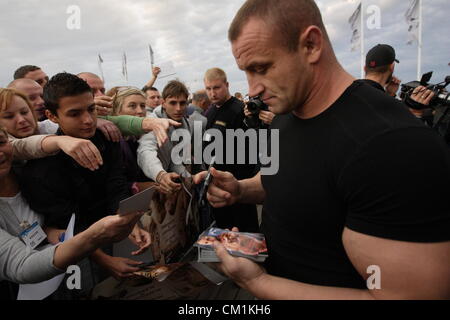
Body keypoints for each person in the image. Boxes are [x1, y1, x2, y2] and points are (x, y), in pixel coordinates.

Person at [194, 0, 450, 300]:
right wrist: (239, 189)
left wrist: (259, 284)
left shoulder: (393, 144)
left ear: (311, 45)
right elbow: (283, 180)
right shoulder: (287, 113)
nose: (252, 89)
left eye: (261, 68)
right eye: (246, 72)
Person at [18, 73, 151, 281]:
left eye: (91, 109)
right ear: (52, 116)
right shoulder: (39, 170)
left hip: (116, 238)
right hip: (73, 260)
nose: (88, 120)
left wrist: (130, 223)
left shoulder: (108, 138)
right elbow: (63, 226)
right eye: (74, 114)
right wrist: (104, 260)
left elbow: (116, 185)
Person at [0, 125, 143, 287]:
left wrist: (100, 122)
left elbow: (42, 229)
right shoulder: (36, 173)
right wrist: (95, 235)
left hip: (61, 279)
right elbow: (21, 265)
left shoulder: (24, 172)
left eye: (1, 142)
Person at [203, 67, 259, 232]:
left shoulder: (240, 110)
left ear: (227, 85)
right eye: (209, 88)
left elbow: (251, 149)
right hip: (216, 182)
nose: (212, 93)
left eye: (217, 87)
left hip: (238, 182)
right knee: (223, 230)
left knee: (245, 233)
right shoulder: (210, 111)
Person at [138, 80, 193, 194]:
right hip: (149, 182)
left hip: (168, 181)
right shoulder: (153, 121)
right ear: (163, 103)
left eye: (182, 103)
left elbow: (174, 158)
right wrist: (160, 175)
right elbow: (145, 151)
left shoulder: (185, 123)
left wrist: (187, 177)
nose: (178, 108)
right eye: (173, 103)